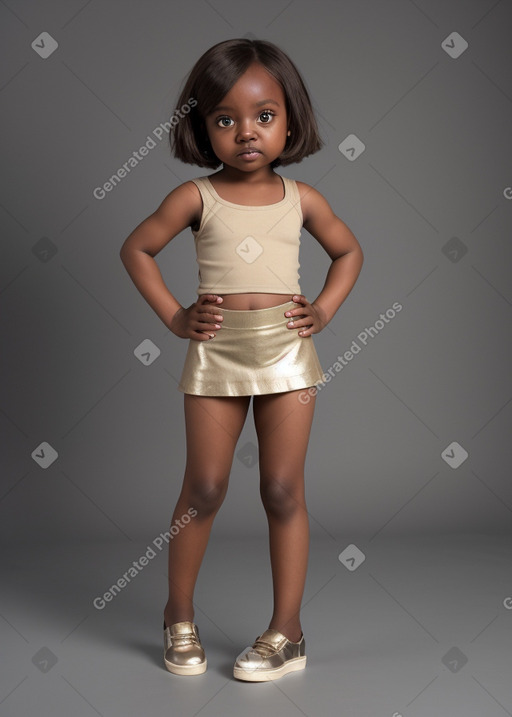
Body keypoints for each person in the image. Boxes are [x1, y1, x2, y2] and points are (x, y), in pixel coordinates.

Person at [119, 38, 364, 682]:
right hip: (216, 350)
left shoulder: (302, 197)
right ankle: (178, 613)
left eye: (264, 115)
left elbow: (349, 253)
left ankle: (288, 632)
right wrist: (176, 316)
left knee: (282, 489)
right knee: (204, 487)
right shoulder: (196, 197)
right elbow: (136, 249)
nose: (246, 132)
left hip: (287, 350)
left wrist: (326, 310)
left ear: (291, 119)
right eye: (225, 119)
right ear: (203, 128)